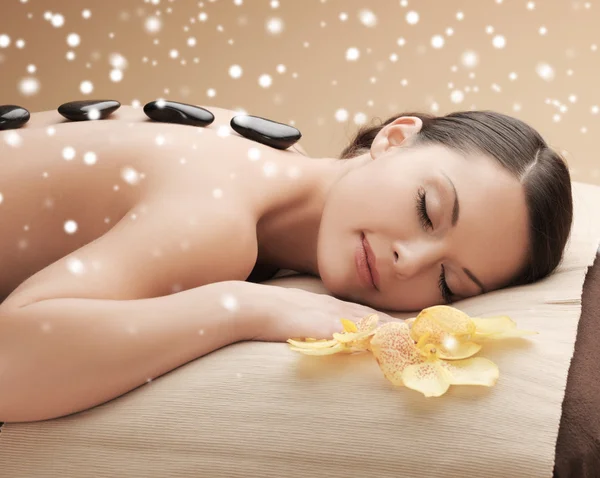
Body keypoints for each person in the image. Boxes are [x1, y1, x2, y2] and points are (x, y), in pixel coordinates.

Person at [0, 105, 572, 422]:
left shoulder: (277, 161)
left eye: (448, 283)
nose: (410, 260)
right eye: (427, 209)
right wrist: (245, 308)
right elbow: (12, 364)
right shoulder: (219, 223)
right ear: (396, 138)